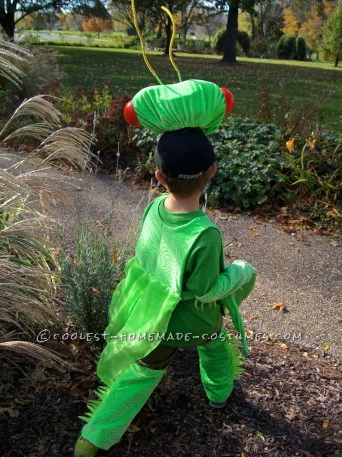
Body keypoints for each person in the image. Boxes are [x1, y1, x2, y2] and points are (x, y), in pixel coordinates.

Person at [73, 127, 257, 457]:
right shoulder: (205, 234)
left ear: (159, 176)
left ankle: (92, 439)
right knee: (214, 341)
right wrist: (240, 271)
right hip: (189, 321)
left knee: (140, 375)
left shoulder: (155, 207)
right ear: (212, 171)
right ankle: (219, 395)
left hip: (150, 317)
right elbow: (205, 290)